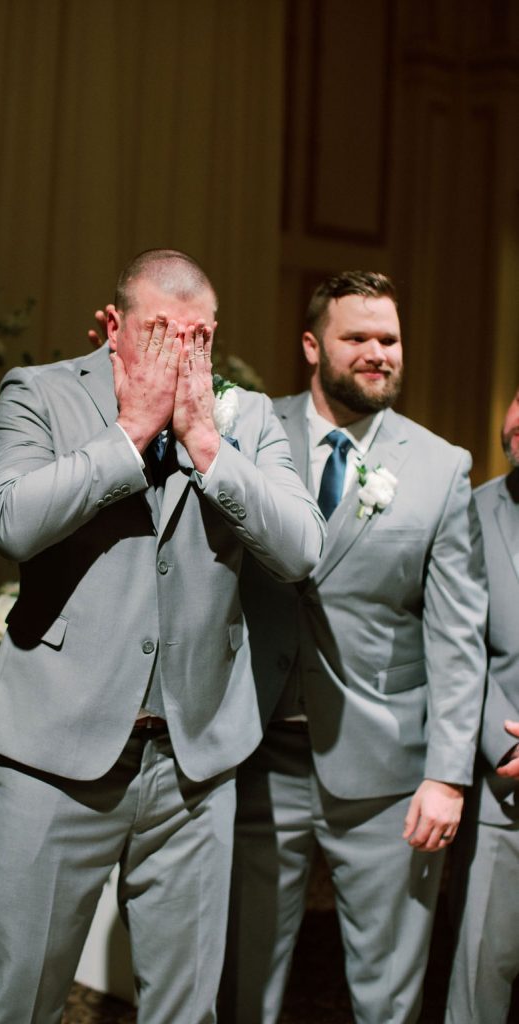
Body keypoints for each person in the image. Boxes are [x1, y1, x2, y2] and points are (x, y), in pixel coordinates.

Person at [0, 248, 325, 1024]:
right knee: (21, 998)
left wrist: (206, 444)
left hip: (194, 764)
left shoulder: (247, 417)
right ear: (114, 327)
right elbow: (11, 521)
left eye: (197, 339)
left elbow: (302, 547)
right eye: (160, 333)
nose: (180, 355)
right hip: (53, 754)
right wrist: (130, 432)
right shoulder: (41, 394)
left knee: (184, 1007)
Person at [219, 271, 488, 1024]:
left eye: (389, 339)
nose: (377, 353)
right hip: (255, 754)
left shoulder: (440, 467)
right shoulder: (245, 431)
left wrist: (446, 775)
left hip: (387, 769)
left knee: (388, 989)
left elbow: (456, 634)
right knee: (243, 980)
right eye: (357, 338)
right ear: (311, 346)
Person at [444, 387, 519, 1023]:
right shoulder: (470, 512)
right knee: (481, 974)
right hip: (507, 786)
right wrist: (510, 741)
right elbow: (453, 640)